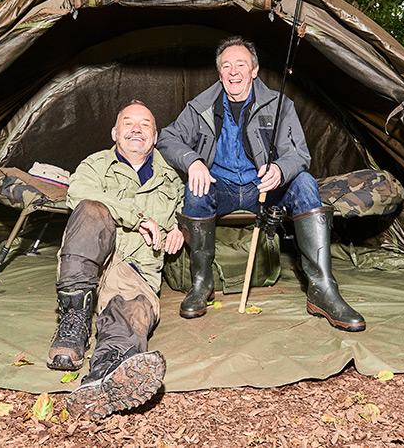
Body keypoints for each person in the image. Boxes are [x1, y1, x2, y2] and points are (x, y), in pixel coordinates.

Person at [156, 36, 365, 332]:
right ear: (219, 74)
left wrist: (280, 169)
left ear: (254, 70)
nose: (233, 72)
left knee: (304, 181)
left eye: (240, 64)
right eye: (226, 66)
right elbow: (166, 138)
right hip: (222, 186)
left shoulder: (279, 104)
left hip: (263, 188)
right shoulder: (201, 106)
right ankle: (202, 283)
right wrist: (193, 161)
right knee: (195, 187)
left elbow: (300, 155)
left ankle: (323, 290)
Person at [47, 100, 185, 419]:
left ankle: (104, 378)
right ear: (115, 132)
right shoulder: (94, 165)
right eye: (128, 123)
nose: (136, 129)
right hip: (91, 260)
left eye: (145, 124)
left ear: (155, 135)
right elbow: (77, 194)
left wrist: (181, 227)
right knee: (92, 208)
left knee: (133, 315)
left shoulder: (172, 179)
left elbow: (189, 212)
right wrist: (138, 218)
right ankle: (74, 324)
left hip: (137, 271)